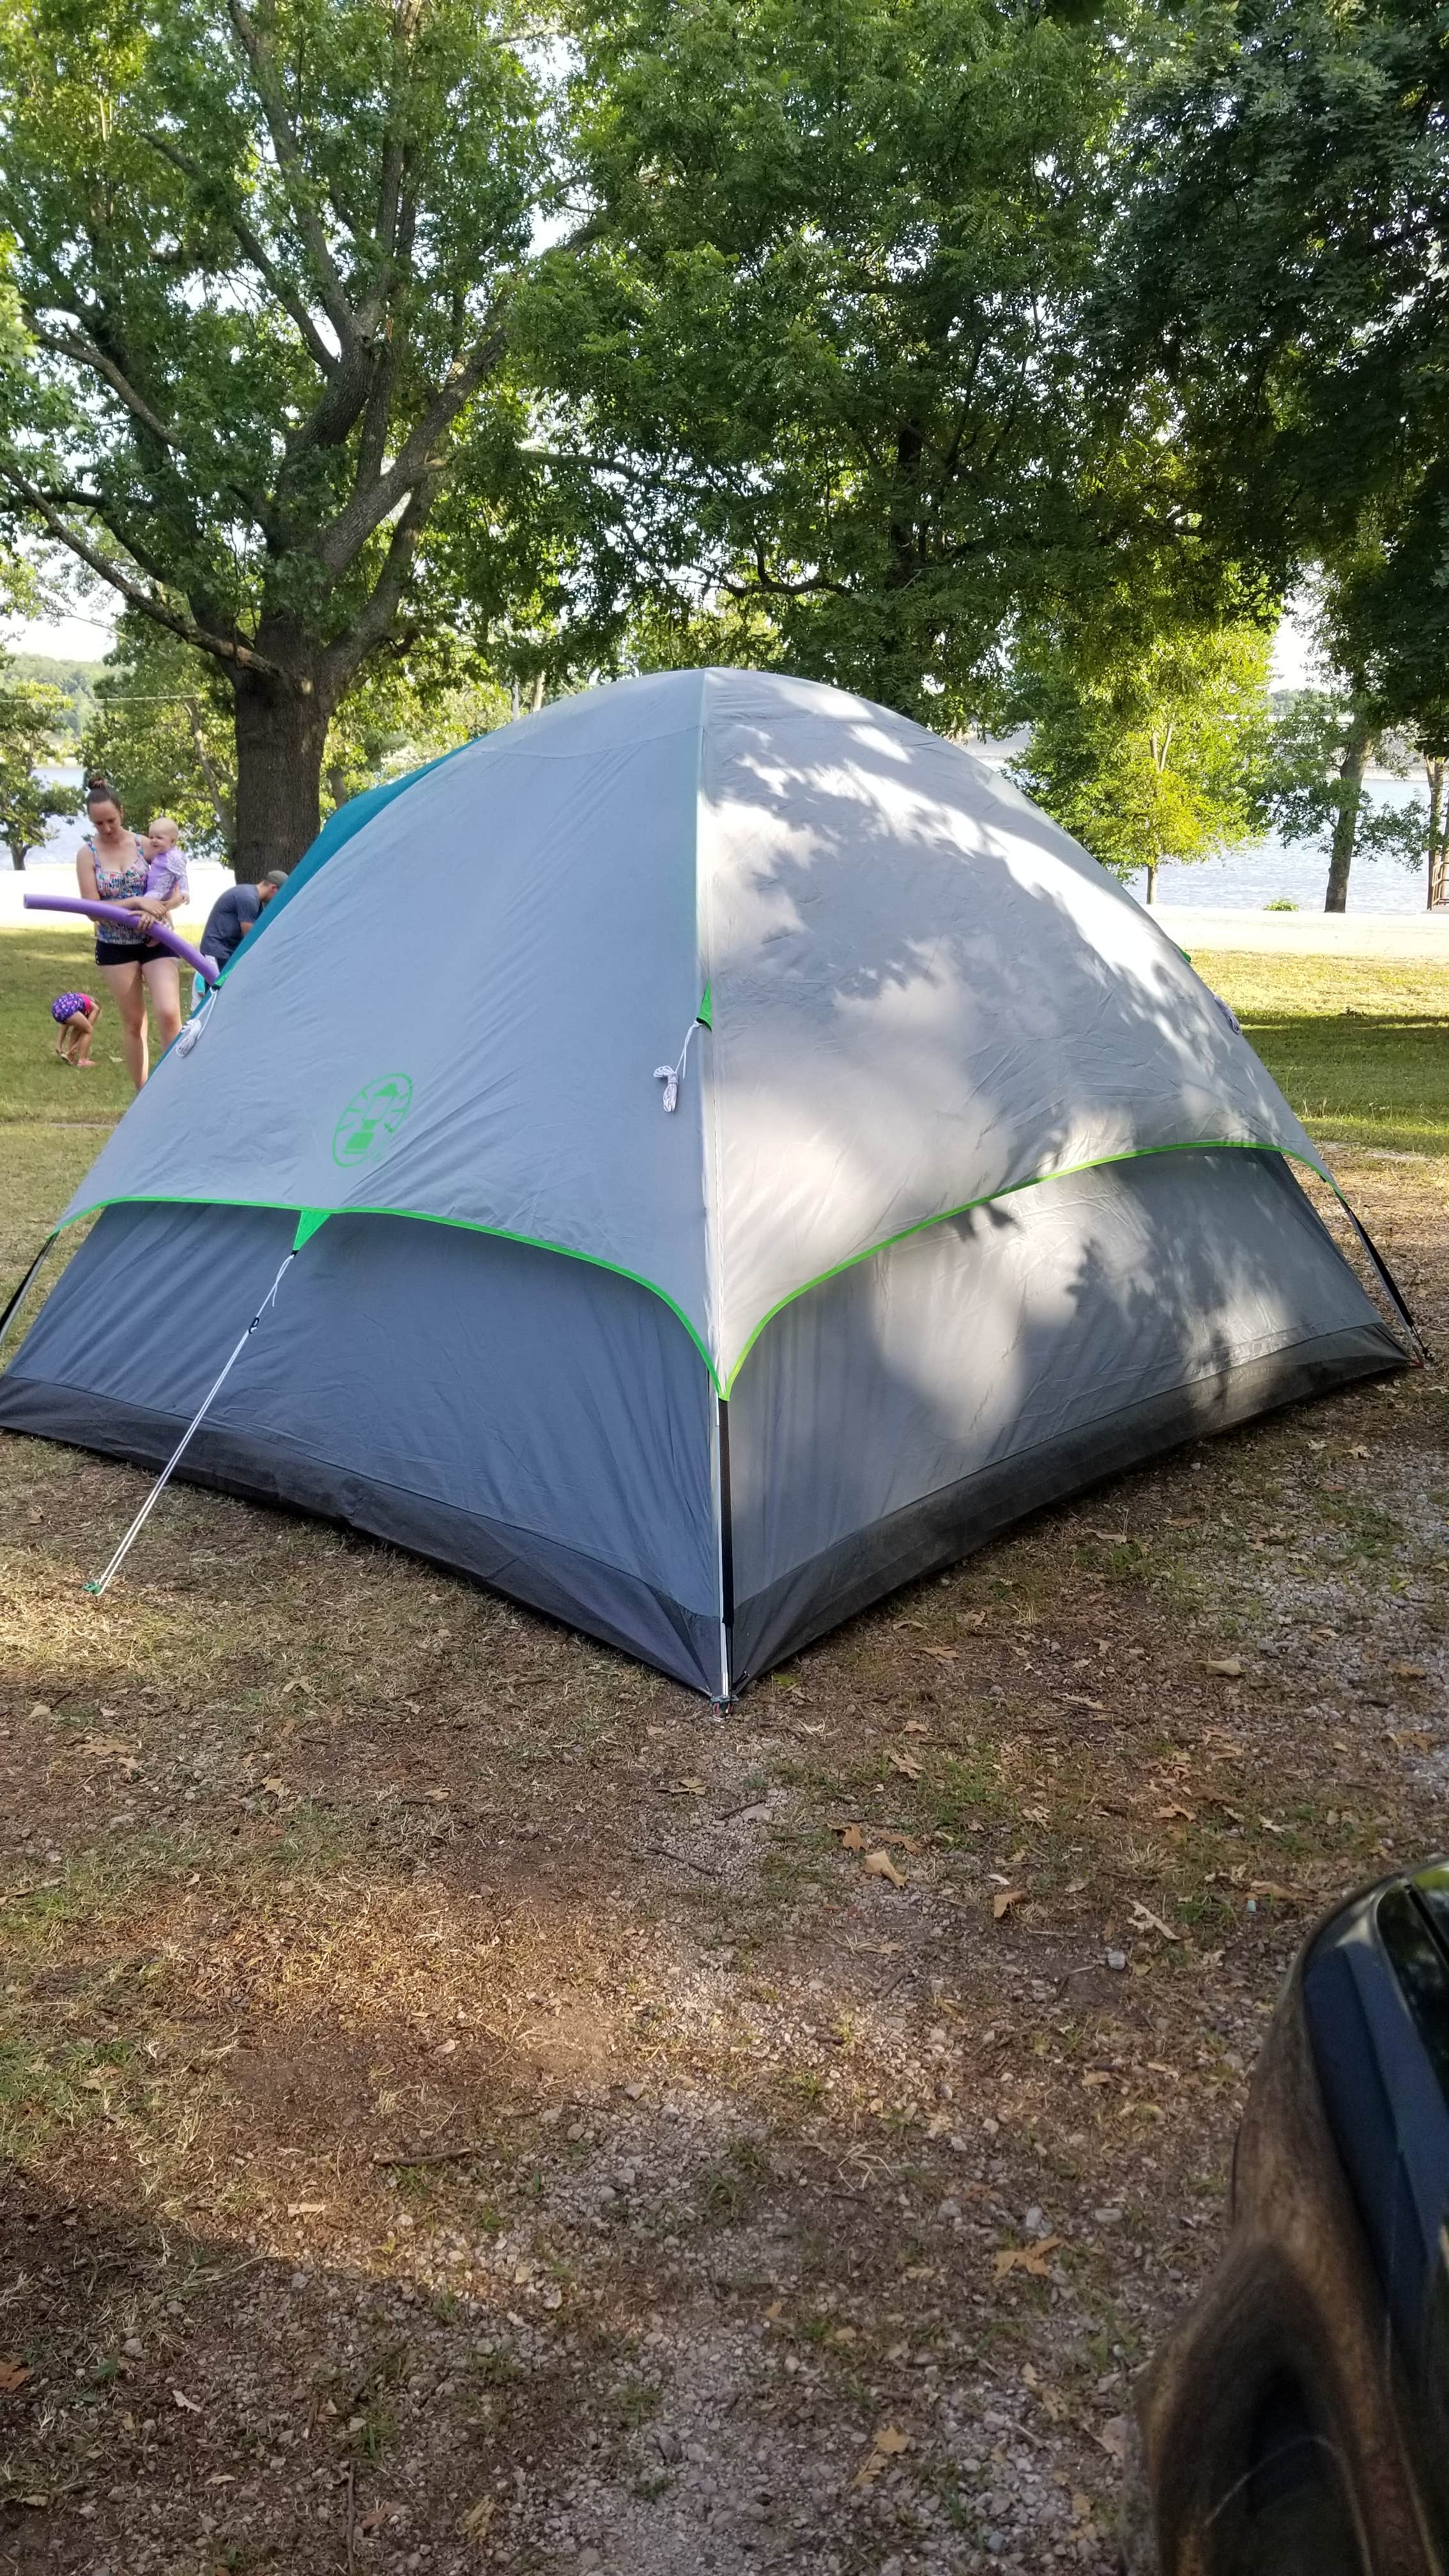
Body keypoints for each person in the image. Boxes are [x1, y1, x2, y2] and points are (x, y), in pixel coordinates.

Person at [75, 776, 183, 1092]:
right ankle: (143, 1095)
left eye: (111, 820)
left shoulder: (146, 844)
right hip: (115, 945)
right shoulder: (87, 855)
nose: (107, 828)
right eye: (99, 824)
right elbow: (92, 909)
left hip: (157, 939)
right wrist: (136, 902)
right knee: (135, 1022)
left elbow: (175, 890)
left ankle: (176, 1090)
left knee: (169, 1013)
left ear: (122, 812)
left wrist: (157, 908)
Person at [199, 868, 289, 972]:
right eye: (280, 895)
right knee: (220, 987)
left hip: (227, 952)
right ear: (273, 888)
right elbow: (250, 938)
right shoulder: (248, 898)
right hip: (217, 951)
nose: (279, 900)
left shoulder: (256, 901)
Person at [50, 990, 100, 1068]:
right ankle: (83, 1061)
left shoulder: (77, 1000)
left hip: (56, 1009)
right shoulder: (95, 1008)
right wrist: (77, 1045)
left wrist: (59, 1044)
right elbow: (87, 1030)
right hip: (67, 1010)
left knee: (78, 1029)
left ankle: (70, 1057)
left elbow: (65, 1025)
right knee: (89, 1030)